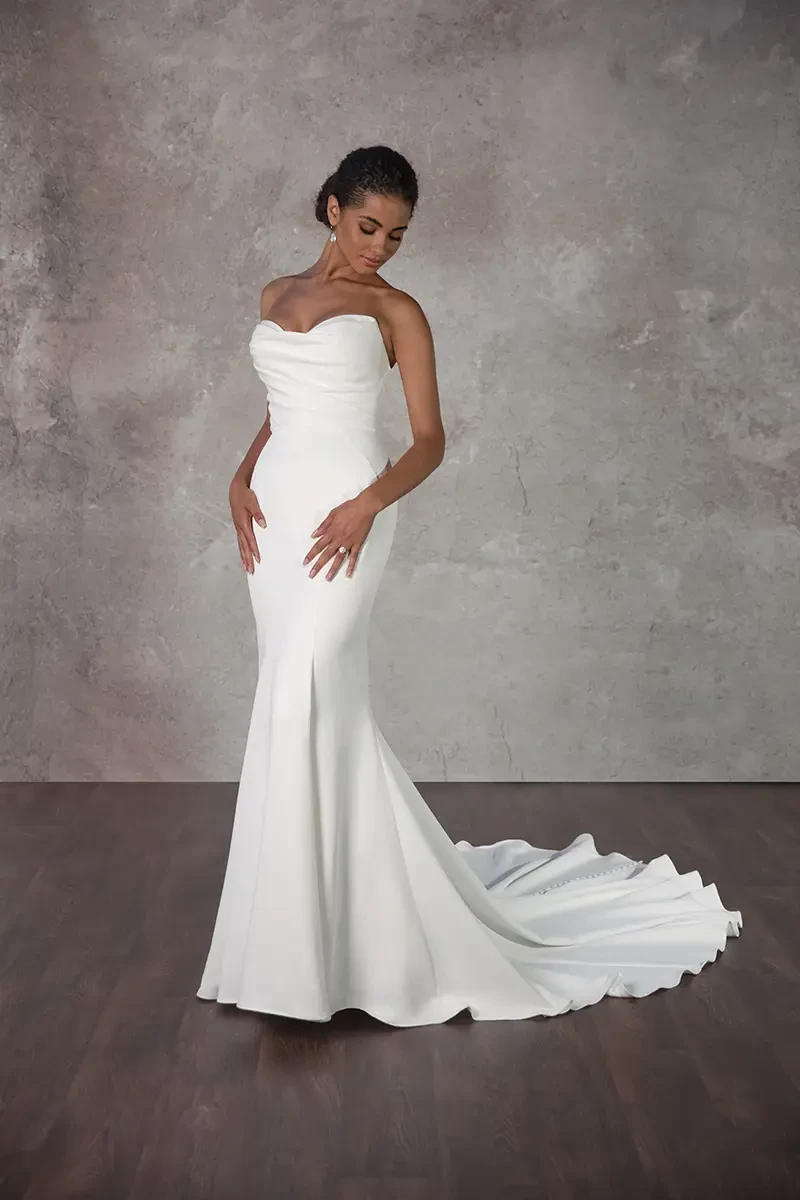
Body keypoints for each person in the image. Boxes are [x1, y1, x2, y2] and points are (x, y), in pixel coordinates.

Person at [196, 144, 742, 1027]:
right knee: (291, 698)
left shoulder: (396, 312)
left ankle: (327, 939)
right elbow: (277, 407)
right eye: (369, 225)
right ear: (332, 207)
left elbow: (427, 440)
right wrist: (237, 475)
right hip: (275, 507)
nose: (381, 247)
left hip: (350, 508)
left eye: (398, 235)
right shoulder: (273, 297)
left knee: (309, 688)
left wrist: (368, 505)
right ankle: (300, 930)